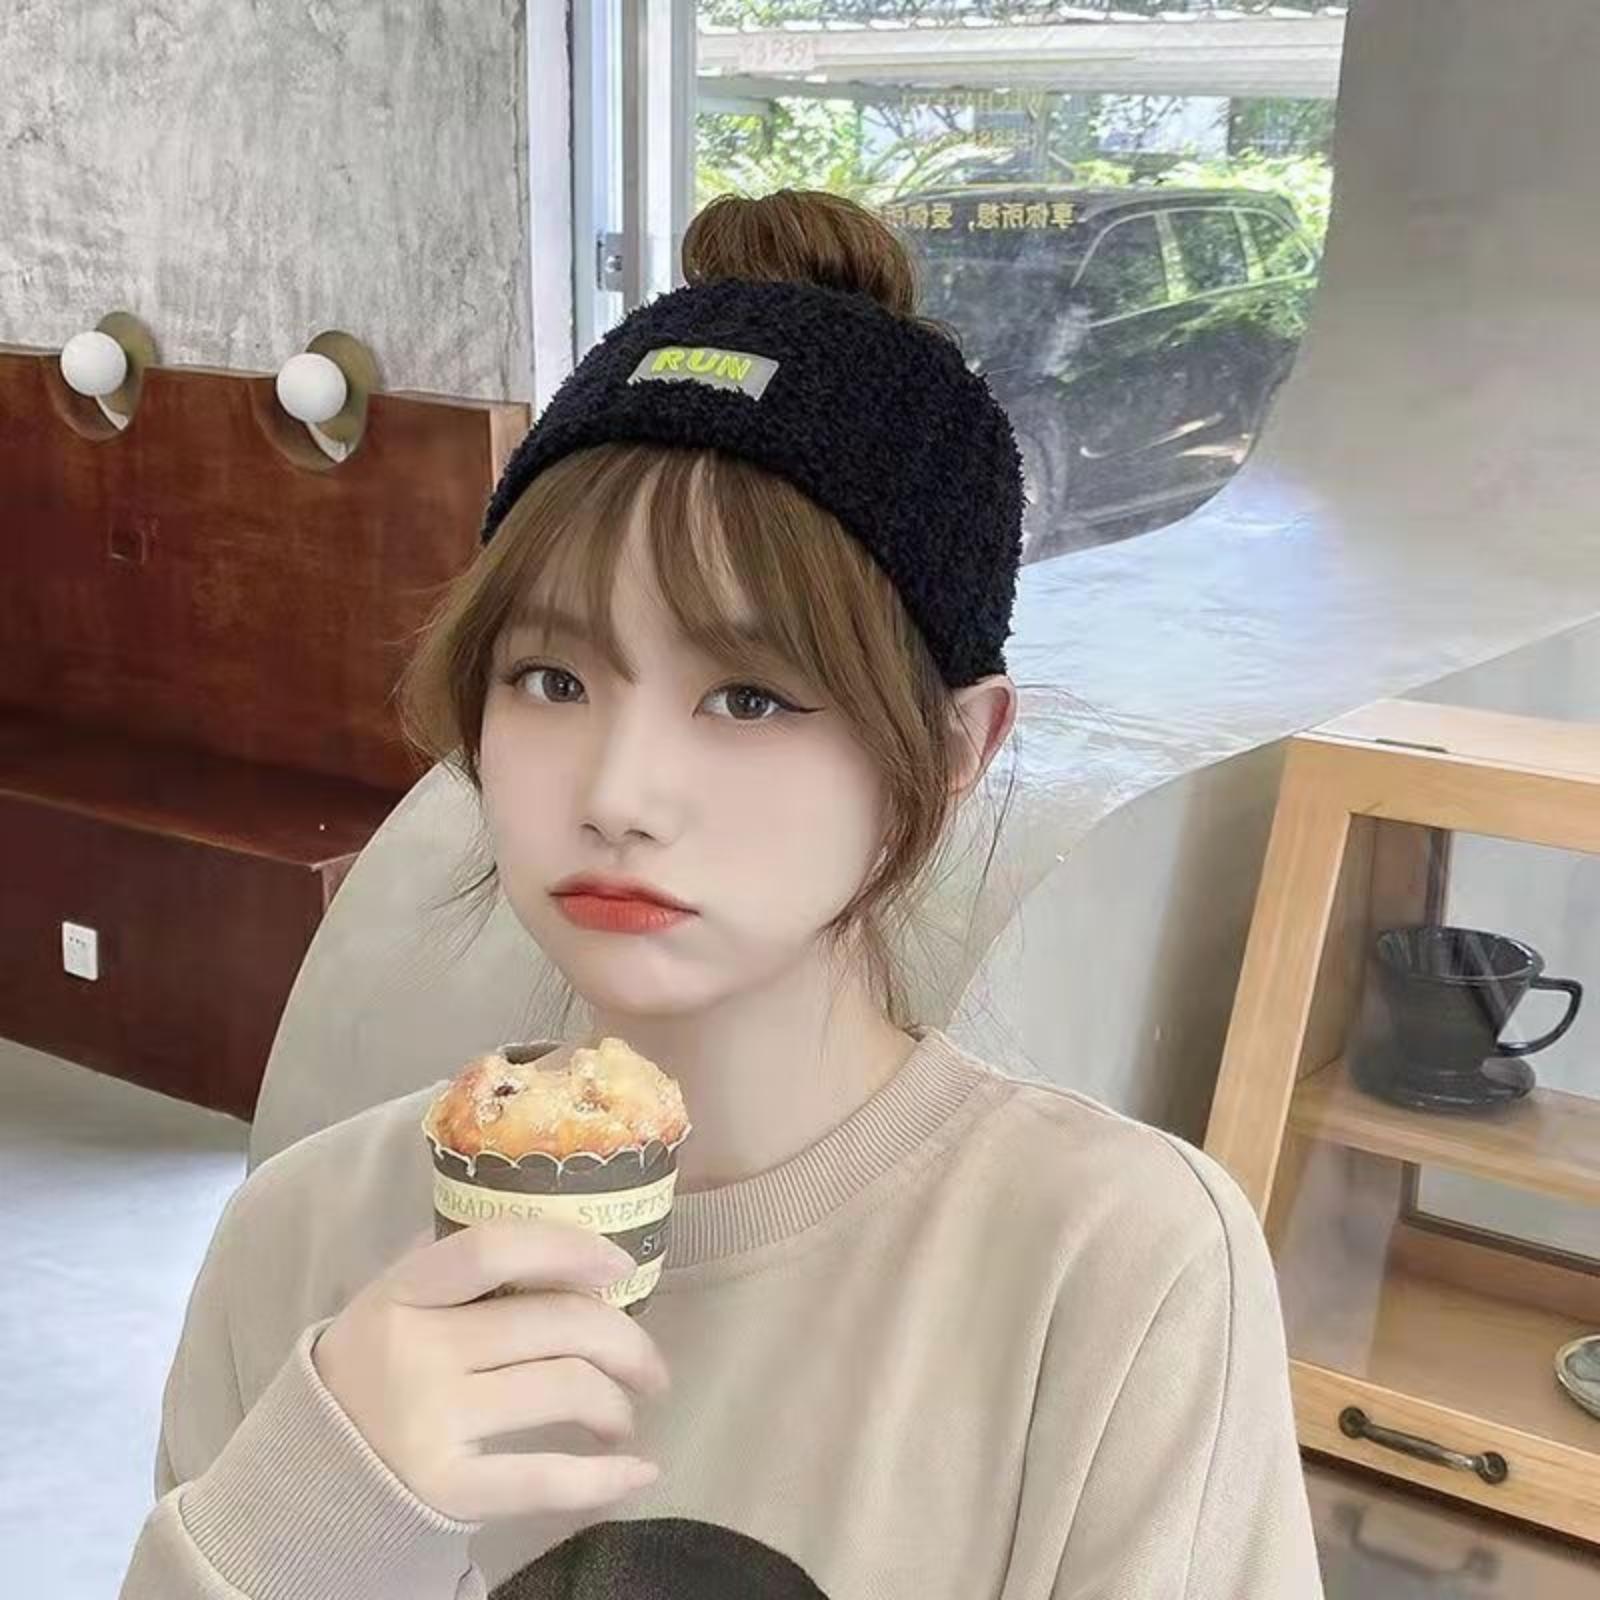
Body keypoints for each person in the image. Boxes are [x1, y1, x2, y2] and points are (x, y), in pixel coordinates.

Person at [120, 188, 1322, 1599]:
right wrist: (316, 1510)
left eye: (749, 696)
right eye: (550, 678)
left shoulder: (1115, 1269)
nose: (620, 791)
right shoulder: (305, 1235)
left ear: (953, 751)